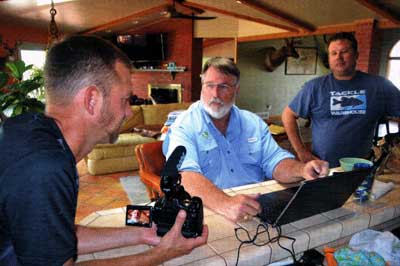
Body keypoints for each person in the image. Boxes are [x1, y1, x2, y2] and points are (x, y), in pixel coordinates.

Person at [0, 35, 208, 266]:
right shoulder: (44, 168)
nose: (129, 112)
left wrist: (141, 234)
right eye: (125, 100)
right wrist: (159, 256)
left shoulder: (29, 131)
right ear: (92, 100)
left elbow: (55, 238)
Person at [163, 57, 329, 223]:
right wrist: (226, 203)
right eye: (210, 85)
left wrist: (302, 170)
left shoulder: (253, 123)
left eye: (224, 86)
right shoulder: (184, 125)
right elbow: (185, 174)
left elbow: (275, 161)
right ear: (202, 86)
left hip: (255, 205)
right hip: (208, 209)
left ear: (237, 89)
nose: (215, 94)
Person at [282, 32, 400, 167]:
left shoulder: (379, 86)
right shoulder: (314, 87)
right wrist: (302, 152)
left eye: (344, 52)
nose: (339, 57)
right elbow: (288, 115)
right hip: (322, 166)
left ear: (356, 55)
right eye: (334, 53)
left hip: (363, 166)